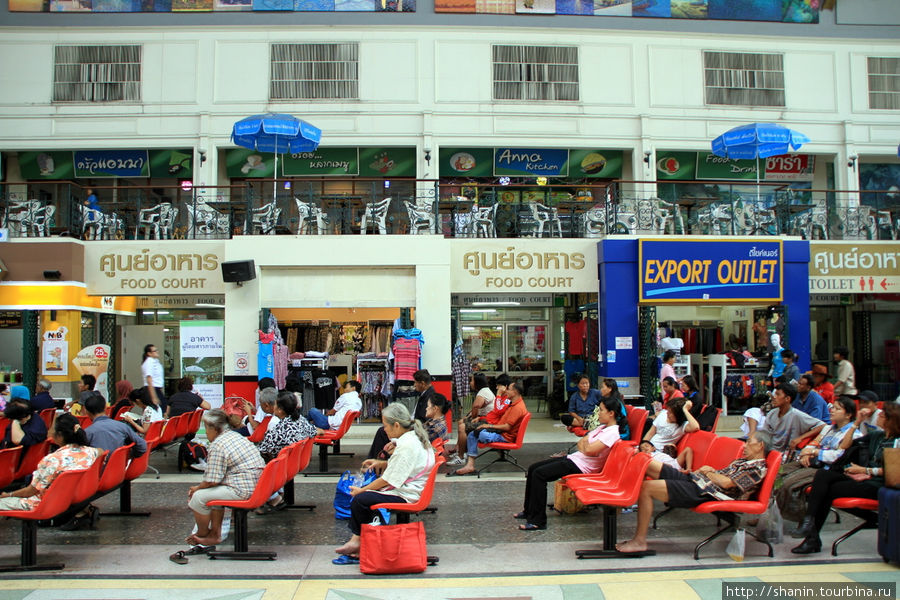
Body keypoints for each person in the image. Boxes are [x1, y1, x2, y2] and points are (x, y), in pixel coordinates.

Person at [615, 431, 774, 555]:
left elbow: (726, 483)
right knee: (647, 461)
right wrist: (709, 473)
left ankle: (639, 541)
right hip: (697, 480)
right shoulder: (743, 461)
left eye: (749, 442)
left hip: (705, 492)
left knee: (647, 488)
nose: (745, 445)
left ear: (760, 445)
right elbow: (720, 475)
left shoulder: (757, 468)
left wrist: (708, 473)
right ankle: (620, 497)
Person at [791, 402, 900, 554]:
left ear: (890, 420)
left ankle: (811, 537)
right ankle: (810, 527)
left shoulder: (897, 441)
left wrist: (865, 470)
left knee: (826, 491)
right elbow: (844, 446)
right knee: (823, 476)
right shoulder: (877, 436)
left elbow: (895, 471)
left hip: (879, 485)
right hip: (864, 478)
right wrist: (856, 423)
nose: (878, 417)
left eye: (882, 415)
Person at [333, 403, 435, 561]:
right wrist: (382, 463)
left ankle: (373, 539)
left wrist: (363, 490)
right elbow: (410, 466)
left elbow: (389, 479)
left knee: (360, 500)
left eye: (385, 425)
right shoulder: (413, 438)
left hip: (407, 494)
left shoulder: (406, 445)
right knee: (363, 498)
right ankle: (359, 540)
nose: (384, 429)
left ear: (396, 425)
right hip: (412, 488)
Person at [516, 394, 626, 531]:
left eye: (602, 410)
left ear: (611, 413)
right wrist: (586, 445)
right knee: (533, 468)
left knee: (539, 474)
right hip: (575, 459)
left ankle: (538, 520)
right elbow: (582, 443)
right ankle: (528, 511)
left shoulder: (612, 433)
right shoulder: (601, 428)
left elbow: (590, 449)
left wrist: (586, 445)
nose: (598, 413)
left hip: (582, 467)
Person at [63, 393, 148, 530]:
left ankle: (82, 512)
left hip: (99, 476)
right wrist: (127, 455)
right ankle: (84, 511)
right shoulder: (122, 427)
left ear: (87, 411)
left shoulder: (88, 432)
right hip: (118, 472)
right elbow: (142, 445)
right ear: (105, 407)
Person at [776, 396, 861, 530]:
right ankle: (770, 513)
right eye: (832, 407)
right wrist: (808, 452)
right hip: (811, 462)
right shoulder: (828, 429)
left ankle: (799, 518)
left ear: (848, 415)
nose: (832, 410)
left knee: (788, 483)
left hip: (827, 469)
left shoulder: (854, 435)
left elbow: (838, 456)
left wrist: (814, 453)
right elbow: (811, 445)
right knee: (776, 473)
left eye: (837, 409)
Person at [187, 409, 264, 547]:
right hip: (257, 485)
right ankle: (215, 534)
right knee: (213, 493)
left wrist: (196, 488)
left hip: (243, 489)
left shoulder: (218, 445)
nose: (206, 433)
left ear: (215, 429)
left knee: (198, 497)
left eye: (206, 429)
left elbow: (212, 480)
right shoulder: (235, 436)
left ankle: (202, 534)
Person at [0, 414, 101, 512]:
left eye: (53, 430)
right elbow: (101, 451)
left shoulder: (52, 460)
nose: (51, 432)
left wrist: (8, 494)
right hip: (70, 497)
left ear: (60, 436)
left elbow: (30, 491)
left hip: (43, 503)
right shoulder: (91, 452)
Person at [449, 380, 530, 477]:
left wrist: (489, 426)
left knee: (480, 434)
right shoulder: (512, 403)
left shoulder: (517, 407)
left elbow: (507, 426)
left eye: (508, 389)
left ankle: (466, 461)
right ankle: (470, 465)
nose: (506, 390)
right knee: (473, 433)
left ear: (515, 392)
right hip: (500, 432)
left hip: (505, 437)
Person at [256, 391, 317, 513]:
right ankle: (276, 494)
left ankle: (273, 497)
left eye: (275, 405)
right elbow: (313, 432)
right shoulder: (301, 420)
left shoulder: (279, 429)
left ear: (280, 410)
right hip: (296, 462)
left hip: (283, 465)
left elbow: (262, 450)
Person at [367, 370, 445, 459]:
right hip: (416, 426)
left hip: (416, 428)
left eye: (415, 382)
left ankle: (374, 460)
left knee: (383, 431)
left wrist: (407, 424)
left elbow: (422, 420)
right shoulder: (426, 395)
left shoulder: (429, 397)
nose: (414, 385)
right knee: (385, 429)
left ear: (422, 383)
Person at [448, 374, 510, 466]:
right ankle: (462, 452)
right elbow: (493, 413)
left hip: (491, 423)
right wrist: (479, 418)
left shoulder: (505, 399)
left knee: (462, 426)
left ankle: (461, 457)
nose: (496, 388)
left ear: (505, 387)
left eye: (471, 381)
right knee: (463, 423)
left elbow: (493, 410)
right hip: (487, 420)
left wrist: (499, 395)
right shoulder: (494, 395)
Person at [762, 382, 825, 453]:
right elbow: (765, 434)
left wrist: (800, 438)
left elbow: (822, 425)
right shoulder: (771, 414)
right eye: (775, 394)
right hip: (769, 451)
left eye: (778, 394)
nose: (774, 397)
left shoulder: (796, 415)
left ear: (787, 399)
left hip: (785, 454)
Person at [141, 343, 166, 413]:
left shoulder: (155, 362)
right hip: (152, 389)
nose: (157, 352)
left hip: (157, 389)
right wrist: (153, 397)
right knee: (157, 411)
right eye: (154, 351)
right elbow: (149, 379)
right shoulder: (149, 362)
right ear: (149, 353)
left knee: (162, 408)